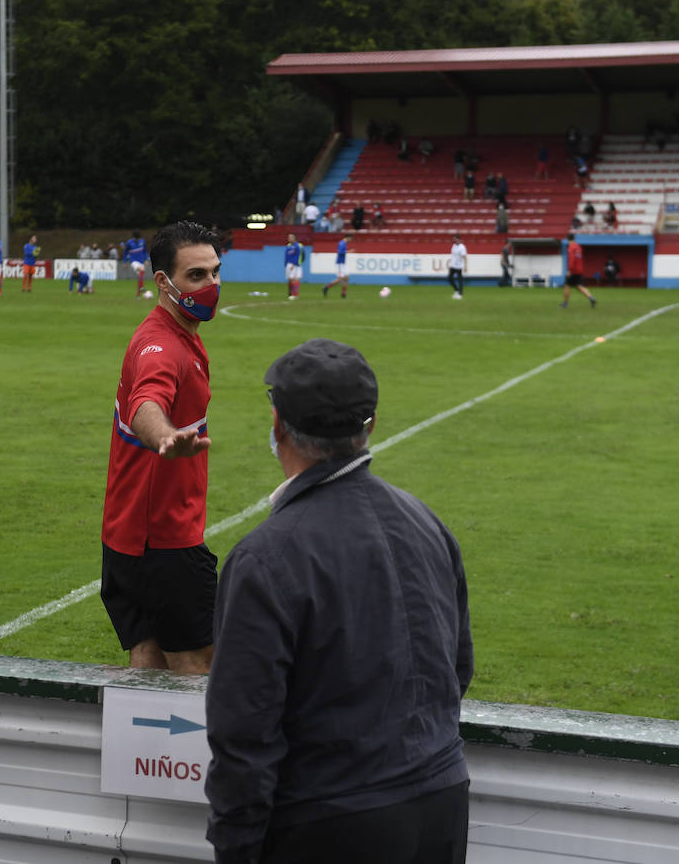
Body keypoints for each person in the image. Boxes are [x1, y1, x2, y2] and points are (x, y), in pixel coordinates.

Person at [205, 338, 473, 864]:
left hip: (331, 818)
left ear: (278, 425)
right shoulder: (426, 521)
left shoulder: (266, 556)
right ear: (369, 426)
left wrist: (236, 845)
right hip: (440, 802)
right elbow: (455, 669)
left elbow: (243, 730)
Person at [100, 221, 222, 674]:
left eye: (215, 272)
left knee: (148, 657)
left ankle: (138, 729)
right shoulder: (161, 345)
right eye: (197, 275)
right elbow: (145, 404)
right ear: (163, 282)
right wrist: (165, 437)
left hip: (126, 534)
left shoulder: (171, 333)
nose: (211, 285)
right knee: (197, 664)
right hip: (165, 539)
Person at [561, 233, 596, 308]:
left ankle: (565, 303)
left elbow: (572, 259)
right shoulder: (578, 247)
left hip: (573, 270)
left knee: (566, 286)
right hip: (579, 270)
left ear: (567, 239)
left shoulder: (571, 247)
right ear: (574, 238)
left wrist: (569, 270)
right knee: (579, 286)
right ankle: (591, 297)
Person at [323, 234, 351, 298]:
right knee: (340, 279)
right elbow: (340, 252)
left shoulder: (344, 243)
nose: (350, 240)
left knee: (346, 278)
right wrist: (348, 251)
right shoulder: (342, 243)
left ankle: (343, 294)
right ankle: (326, 287)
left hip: (342, 264)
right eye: (350, 239)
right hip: (340, 263)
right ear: (348, 237)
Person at [125, 230, 149, 298]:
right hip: (133, 261)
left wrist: (146, 259)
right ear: (133, 237)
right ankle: (142, 287)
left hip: (141, 261)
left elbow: (145, 251)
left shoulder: (143, 241)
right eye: (135, 238)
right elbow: (125, 252)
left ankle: (138, 295)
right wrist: (125, 261)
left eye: (137, 238)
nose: (136, 239)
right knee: (142, 270)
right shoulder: (129, 242)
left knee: (140, 278)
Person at [283, 233, 304, 299]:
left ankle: (295, 294)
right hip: (289, 264)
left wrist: (295, 263)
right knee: (290, 279)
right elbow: (286, 256)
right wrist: (286, 264)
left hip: (295, 264)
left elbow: (301, 255)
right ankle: (290, 293)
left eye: (291, 237)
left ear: (294, 238)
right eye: (288, 237)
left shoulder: (298, 246)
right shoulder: (288, 246)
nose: (289, 238)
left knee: (295, 279)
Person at [447, 233, 466, 299]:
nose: (454, 240)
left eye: (455, 239)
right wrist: (450, 262)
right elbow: (453, 255)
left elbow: (464, 257)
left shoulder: (462, 247)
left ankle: (460, 294)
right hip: (453, 265)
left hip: (459, 266)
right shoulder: (454, 246)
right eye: (454, 239)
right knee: (449, 278)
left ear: (458, 239)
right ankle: (456, 290)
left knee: (460, 280)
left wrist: (465, 266)